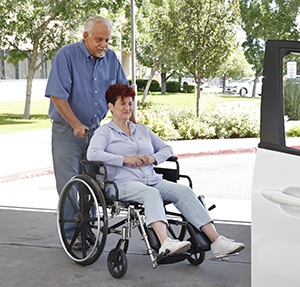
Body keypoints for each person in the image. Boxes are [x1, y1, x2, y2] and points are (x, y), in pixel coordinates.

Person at [87, 83, 245, 258]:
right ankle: (165, 242)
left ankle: (217, 242)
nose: (128, 108)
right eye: (123, 104)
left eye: (131, 103)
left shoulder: (141, 129)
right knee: (151, 194)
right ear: (111, 106)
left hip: (152, 179)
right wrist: (125, 159)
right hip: (122, 183)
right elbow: (92, 154)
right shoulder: (105, 132)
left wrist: (152, 158)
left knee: (184, 191)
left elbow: (167, 149)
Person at [45, 16, 131, 249]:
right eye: (99, 39)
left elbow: (122, 95)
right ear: (85, 37)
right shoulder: (66, 56)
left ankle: (89, 229)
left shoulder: (111, 58)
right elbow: (57, 95)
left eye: (107, 40)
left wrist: (131, 127)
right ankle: (74, 233)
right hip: (67, 132)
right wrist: (75, 124)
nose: (104, 44)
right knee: (70, 183)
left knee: (94, 183)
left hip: (95, 132)